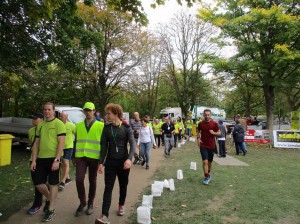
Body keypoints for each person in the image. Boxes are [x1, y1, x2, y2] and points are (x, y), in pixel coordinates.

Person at [95, 103, 136, 224]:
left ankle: (121, 205)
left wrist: (129, 159)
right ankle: (104, 215)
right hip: (110, 163)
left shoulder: (126, 127)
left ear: (116, 114)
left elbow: (133, 144)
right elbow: (103, 146)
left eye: (109, 113)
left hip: (123, 163)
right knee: (108, 188)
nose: (106, 116)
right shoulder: (106, 128)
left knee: (123, 185)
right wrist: (101, 162)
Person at [30, 102, 66, 222]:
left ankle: (51, 210)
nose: (46, 112)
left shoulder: (59, 124)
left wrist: (57, 159)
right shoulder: (40, 125)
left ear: (53, 110)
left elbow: (61, 143)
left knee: (53, 183)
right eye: (45, 110)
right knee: (38, 182)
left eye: (49, 110)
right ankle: (51, 199)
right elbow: (36, 144)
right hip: (41, 158)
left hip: (53, 159)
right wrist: (34, 160)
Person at [73, 102, 104, 217]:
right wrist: (73, 156)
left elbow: (104, 143)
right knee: (79, 179)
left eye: (90, 110)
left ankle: (90, 203)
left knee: (92, 180)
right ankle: (82, 202)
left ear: (94, 111)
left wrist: (102, 160)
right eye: (86, 110)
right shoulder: (79, 125)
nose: (88, 112)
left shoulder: (101, 125)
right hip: (81, 157)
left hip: (94, 157)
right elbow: (75, 141)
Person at [197, 109, 221, 185]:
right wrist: (198, 138)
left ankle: (208, 173)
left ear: (210, 115)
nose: (207, 116)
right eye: (205, 115)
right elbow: (198, 131)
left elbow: (219, 133)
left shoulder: (214, 124)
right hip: (203, 145)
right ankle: (206, 176)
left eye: (208, 115)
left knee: (209, 162)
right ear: (203, 115)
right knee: (205, 161)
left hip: (211, 145)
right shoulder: (200, 123)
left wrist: (214, 132)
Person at [27, 112, 44, 215]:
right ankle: (48, 194)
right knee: (37, 182)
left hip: (44, 159)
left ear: (41, 119)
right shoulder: (31, 131)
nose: (33, 120)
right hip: (33, 159)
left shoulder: (46, 129)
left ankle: (37, 204)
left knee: (39, 182)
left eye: (35, 118)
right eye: (32, 118)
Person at [58, 112, 75, 190]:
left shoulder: (71, 126)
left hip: (68, 147)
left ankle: (63, 181)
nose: (60, 117)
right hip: (60, 147)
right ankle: (67, 177)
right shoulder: (58, 125)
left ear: (66, 117)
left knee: (65, 162)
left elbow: (77, 134)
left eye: (62, 116)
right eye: (60, 116)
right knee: (61, 164)